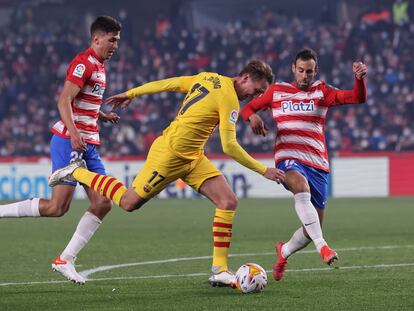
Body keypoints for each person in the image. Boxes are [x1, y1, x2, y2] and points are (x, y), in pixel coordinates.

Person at [48, 60, 286, 287]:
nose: (254, 97)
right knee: (129, 202)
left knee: (227, 201)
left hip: (194, 157)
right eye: (256, 90)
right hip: (169, 156)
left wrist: (133, 92)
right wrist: (263, 170)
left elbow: (169, 83)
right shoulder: (229, 99)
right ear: (244, 77)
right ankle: (77, 172)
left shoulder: (208, 78)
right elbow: (229, 146)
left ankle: (219, 270)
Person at [0, 16, 122, 285]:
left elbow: (81, 102)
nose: (115, 46)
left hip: (89, 143)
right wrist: (76, 133)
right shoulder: (83, 63)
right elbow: (64, 100)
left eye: (117, 41)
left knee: (102, 202)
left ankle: (65, 259)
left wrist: (101, 115)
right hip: (71, 141)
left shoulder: (100, 65)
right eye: (111, 40)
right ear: (96, 39)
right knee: (57, 207)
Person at [240, 48, 367, 281]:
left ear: (315, 71)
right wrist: (252, 116)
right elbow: (247, 107)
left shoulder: (322, 92)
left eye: (309, 72)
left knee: (312, 227)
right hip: (289, 157)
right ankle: (323, 247)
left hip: (317, 163)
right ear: (293, 69)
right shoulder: (277, 91)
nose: (305, 76)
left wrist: (359, 80)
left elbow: (356, 98)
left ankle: (284, 251)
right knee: (299, 185)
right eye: (301, 71)